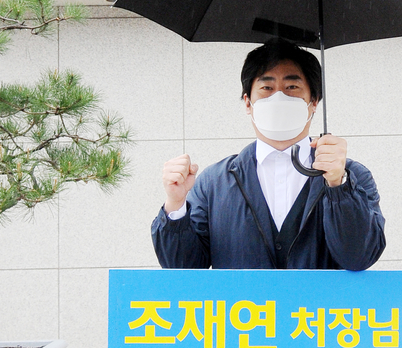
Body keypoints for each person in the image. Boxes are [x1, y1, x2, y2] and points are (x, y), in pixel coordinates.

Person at [151, 39, 385, 271]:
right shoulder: (214, 183)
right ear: (247, 103)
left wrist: (338, 186)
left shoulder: (352, 177)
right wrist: (176, 204)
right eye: (267, 88)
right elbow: (183, 268)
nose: (279, 97)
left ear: (313, 101)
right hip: (243, 299)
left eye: (292, 87)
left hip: (319, 299)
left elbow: (358, 258)